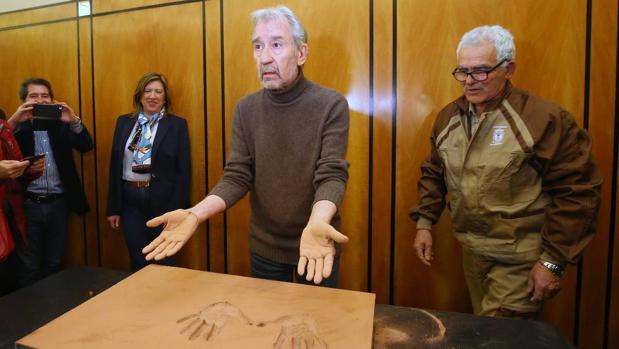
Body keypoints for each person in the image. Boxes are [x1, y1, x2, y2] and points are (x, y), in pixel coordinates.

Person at [143, 5, 350, 287]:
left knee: (314, 327)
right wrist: (195, 214)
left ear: (301, 53)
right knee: (265, 324)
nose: (264, 58)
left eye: (277, 44)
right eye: (257, 46)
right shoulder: (246, 108)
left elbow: (331, 173)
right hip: (265, 247)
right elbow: (237, 175)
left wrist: (316, 222)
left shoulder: (331, 104)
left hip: (317, 243)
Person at [410, 25, 601, 318]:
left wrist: (552, 262)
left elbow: (578, 193)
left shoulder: (542, 119)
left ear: (508, 69)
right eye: (463, 71)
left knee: (499, 338)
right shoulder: (448, 117)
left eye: (482, 71)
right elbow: (434, 171)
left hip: (521, 259)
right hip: (472, 253)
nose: (470, 81)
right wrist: (425, 222)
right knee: (486, 330)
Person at [7, 77, 93, 286]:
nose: (41, 100)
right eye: (34, 96)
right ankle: (31, 317)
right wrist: (13, 121)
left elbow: (86, 146)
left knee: (54, 264)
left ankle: (53, 312)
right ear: (24, 100)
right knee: (29, 267)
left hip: (58, 204)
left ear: (52, 99)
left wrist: (74, 121)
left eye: (45, 96)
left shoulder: (62, 125)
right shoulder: (17, 128)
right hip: (27, 205)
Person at [106, 72, 191, 271]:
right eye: (148, 91)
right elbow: (115, 166)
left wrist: (179, 210)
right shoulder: (124, 122)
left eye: (158, 92)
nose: (152, 96)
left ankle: (167, 302)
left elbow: (183, 171)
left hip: (164, 202)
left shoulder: (177, 125)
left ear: (165, 97)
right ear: (139, 95)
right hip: (130, 201)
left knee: (164, 259)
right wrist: (113, 208)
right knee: (138, 259)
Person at [0, 117, 44, 295]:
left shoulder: (4, 128)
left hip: (11, 210)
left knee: (14, 274)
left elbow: (14, 168)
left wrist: (26, 169)